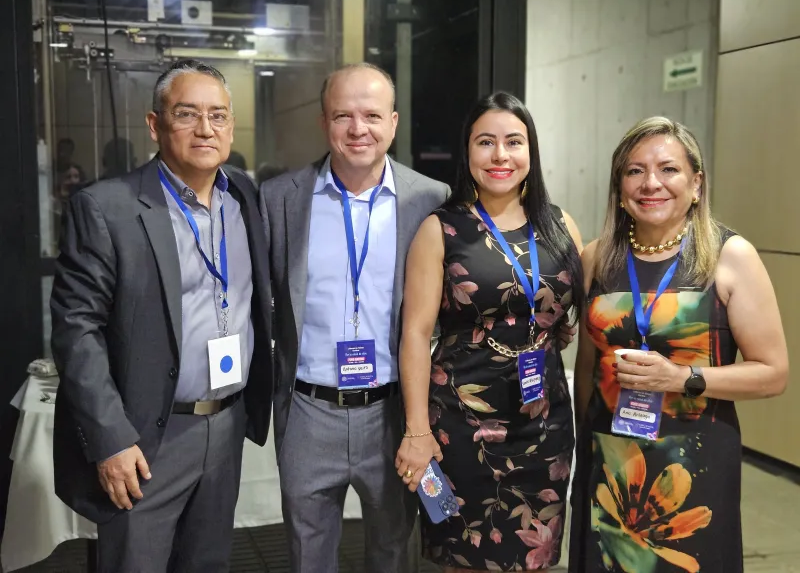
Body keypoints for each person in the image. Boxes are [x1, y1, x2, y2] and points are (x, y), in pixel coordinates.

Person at [50, 59, 274, 572]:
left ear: (232, 126)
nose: (205, 129)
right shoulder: (108, 207)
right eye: (187, 114)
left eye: (218, 115)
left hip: (225, 425)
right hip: (146, 438)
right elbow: (75, 331)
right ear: (155, 125)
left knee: (207, 563)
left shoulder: (245, 195)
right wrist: (111, 439)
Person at [568, 116, 788, 573]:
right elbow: (588, 369)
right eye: (634, 171)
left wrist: (681, 378)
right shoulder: (596, 257)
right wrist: (584, 447)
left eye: (668, 169)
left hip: (693, 467)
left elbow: (773, 373)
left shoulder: (729, 257)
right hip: (610, 465)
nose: (651, 183)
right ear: (619, 184)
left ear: (696, 183)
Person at [259, 62, 449, 572]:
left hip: (392, 412)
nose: (357, 129)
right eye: (342, 115)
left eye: (370, 115)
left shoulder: (429, 199)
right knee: (306, 552)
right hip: (307, 410)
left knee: (393, 551)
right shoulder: (279, 200)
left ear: (393, 121)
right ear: (324, 123)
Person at [394, 91, 584, 572]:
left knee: (534, 556)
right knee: (468, 556)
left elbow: (571, 316)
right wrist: (417, 430)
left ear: (531, 152)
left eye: (513, 142)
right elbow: (415, 334)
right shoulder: (442, 229)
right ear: (467, 152)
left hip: (544, 420)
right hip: (462, 422)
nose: (500, 155)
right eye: (486, 142)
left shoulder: (560, 225)